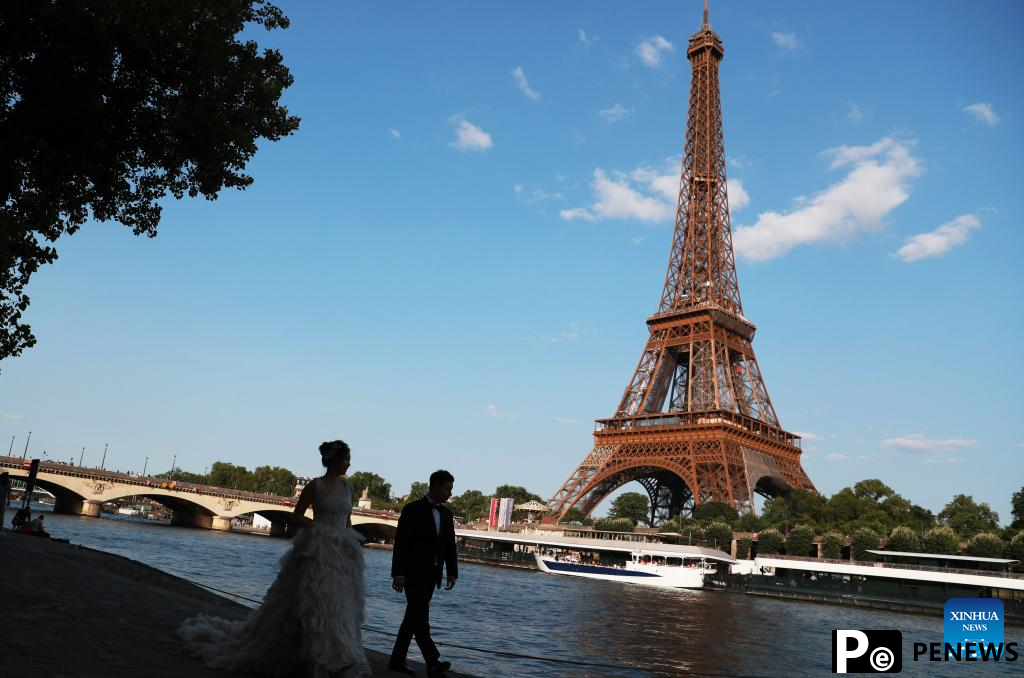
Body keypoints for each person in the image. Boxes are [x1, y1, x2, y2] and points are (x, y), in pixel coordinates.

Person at [178, 441, 370, 678]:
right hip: (318, 550)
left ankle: (338, 654)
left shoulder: (348, 488)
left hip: (341, 552)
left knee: (340, 605)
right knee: (314, 601)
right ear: (333, 460)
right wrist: (318, 527)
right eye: (346, 458)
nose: (349, 463)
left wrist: (349, 539)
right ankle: (315, 655)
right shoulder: (315, 485)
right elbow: (297, 515)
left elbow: (347, 520)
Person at [389, 469, 458, 677]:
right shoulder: (412, 509)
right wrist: (398, 573)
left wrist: (452, 572)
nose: (450, 493)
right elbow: (401, 543)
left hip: (432, 575)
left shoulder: (446, 514)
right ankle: (432, 660)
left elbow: (449, 546)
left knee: (413, 617)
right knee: (420, 617)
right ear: (435, 486)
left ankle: (397, 661)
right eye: (448, 489)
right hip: (412, 573)